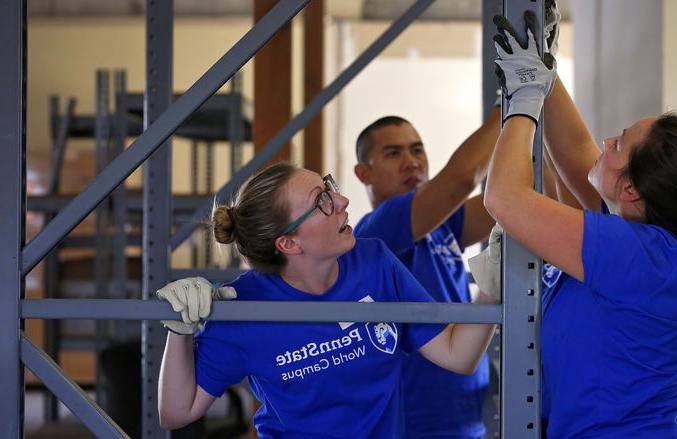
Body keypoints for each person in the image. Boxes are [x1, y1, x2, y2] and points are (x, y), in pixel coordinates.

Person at [473, 11, 677, 438]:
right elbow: (576, 147)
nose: (605, 141)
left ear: (631, 190)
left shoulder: (637, 254)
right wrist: (545, 68)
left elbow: (503, 196)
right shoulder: (652, 243)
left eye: (618, 143)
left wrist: (522, 100)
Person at [155, 162, 496, 438]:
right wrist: (180, 329)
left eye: (329, 187)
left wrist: (493, 282)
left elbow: (457, 355)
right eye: (322, 201)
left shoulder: (374, 262)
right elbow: (176, 412)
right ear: (289, 243)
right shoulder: (245, 306)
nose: (342, 201)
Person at [351, 108, 499, 437]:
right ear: (363, 174)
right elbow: (462, 178)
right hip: (414, 426)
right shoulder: (378, 230)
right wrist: (511, 106)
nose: (411, 161)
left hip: (467, 419)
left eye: (417, 149)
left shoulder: (441, 225)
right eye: (393, 153)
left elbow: (507, 203)